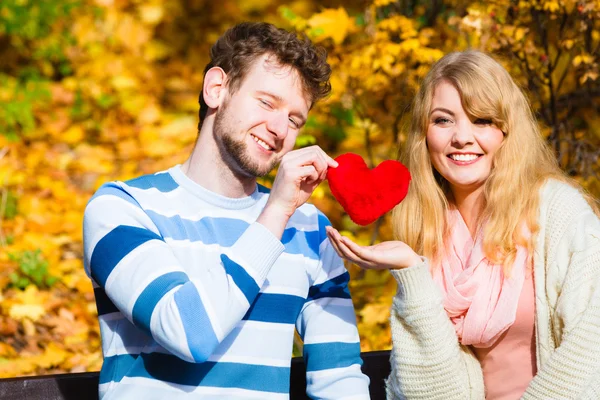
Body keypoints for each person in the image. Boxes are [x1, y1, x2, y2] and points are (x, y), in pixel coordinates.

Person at [83, 22, 370, 400]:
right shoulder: (123, 208)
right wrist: (277, 211)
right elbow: (188, 333)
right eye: (267, 103)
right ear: (217, 89)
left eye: (295, 120)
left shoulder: (309, 229)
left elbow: (340, 382)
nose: (279, 128)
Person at [326, 50, 600, 399]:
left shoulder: (556, 212)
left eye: (482, 120)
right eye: (443, 120)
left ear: (506, 131)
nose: (462, 137)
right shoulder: (426, 226)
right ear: (424, 133)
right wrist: (411, 271)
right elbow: (430, 391)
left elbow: (592, 349)